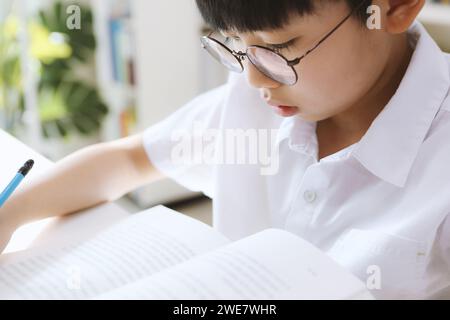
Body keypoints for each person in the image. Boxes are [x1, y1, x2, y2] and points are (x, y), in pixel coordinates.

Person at [1, 0, 449, 299]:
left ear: (391, 8)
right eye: (235, 44)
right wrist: (12, 213)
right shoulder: (255, 98)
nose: (253, 78)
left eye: (278, 47)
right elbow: (129, 159)